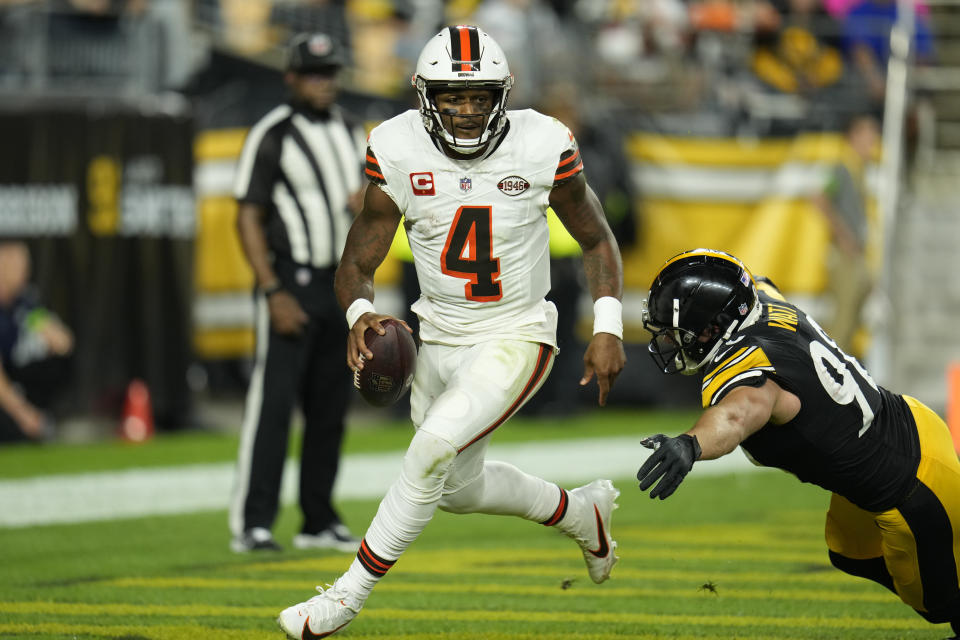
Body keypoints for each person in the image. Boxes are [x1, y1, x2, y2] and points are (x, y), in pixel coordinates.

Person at [277, 25, 627, 638]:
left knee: (431, 450)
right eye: (451, 97)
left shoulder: (543, 141)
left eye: (480, 97)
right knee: (456, 491)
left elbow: (596, 236)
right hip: (436, 335)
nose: (466, 111)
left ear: (503, 94)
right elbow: (359, 259)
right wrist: (359, 315)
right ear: (423, 95)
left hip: (516, 333)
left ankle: (344, 598)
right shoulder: (396, 146)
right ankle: (580, 513)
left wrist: (606, 323)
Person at [635, 248, 960, 637]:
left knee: (942, 605)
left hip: (911, 485)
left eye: (678, 332)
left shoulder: (752, 368)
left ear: (713, 327)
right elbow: (755, 283)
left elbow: (739, 413)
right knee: (850, 551)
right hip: (910, 422)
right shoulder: (764, 303)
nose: (671, 341)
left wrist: (691, 443)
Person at [228, 32, 366, 553]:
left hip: (340, 283)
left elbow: (369, 203)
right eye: (313, 73)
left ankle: (317, 517)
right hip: (292, 279)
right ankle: (254, 522)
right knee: (274, 406)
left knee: (331, 406)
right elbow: (247, 214)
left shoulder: (352, 131)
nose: (323, 82)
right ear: (290, 78)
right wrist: (271, 289)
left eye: (330, 72)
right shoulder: (273, 132)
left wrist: (366, 201)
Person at [0, 241, 72, 444]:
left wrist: (39, 326)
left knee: (58, 363)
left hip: (12, 379)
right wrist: (24, 414)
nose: (25, 272)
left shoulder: (23, 302)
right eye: (19, 266)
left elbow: (63, 342)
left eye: (26, 265)